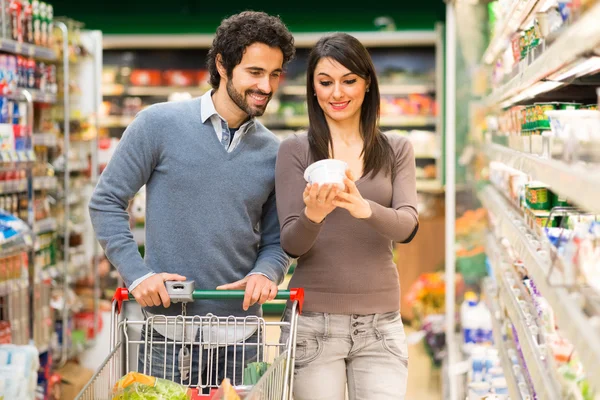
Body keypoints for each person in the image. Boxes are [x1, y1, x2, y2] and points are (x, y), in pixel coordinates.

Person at [89, 11, 294, 387]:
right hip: (166, 331)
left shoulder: (273, 152)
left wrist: (267, 272)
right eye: (255, 72)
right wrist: (137, 275)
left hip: (240, 335)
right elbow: (106, 201)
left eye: (275, 74)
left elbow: (277, 239)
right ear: (222, 64)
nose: (266, 85)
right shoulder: (158, 125)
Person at [275, 32, 419, 400]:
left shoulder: (396, 149)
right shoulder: (294, 150)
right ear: (313, 89)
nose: (337, 93)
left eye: (348, 81)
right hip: (313, 323)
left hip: (381, 325)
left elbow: (407, 226)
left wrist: (363, 208)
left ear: (367, 84)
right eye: (325, 83)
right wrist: (314, 215)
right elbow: (292, 243)